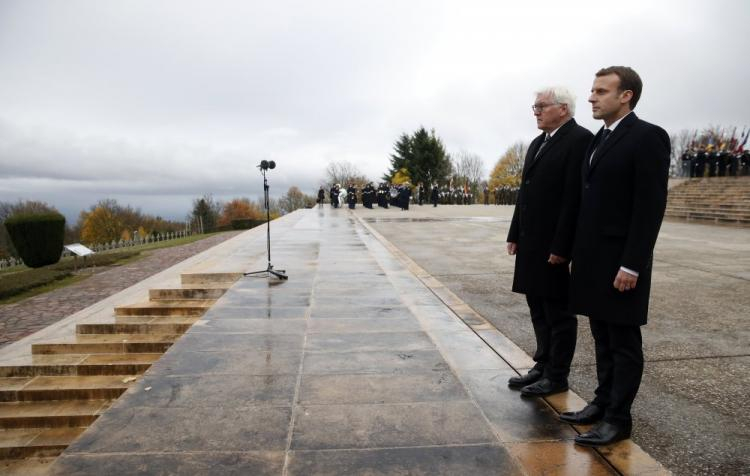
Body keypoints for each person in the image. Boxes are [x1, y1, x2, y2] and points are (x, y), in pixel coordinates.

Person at [565, 66, 670, 447]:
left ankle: (618, 418)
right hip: (593, 260)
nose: (591, 97)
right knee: (602, 337)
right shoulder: (598, 140)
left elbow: (649, 206)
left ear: (626, 95)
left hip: (621, 262)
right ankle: (601, 401)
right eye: (592, 90)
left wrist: (632, 263)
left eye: (600, 91)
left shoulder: (647, 137)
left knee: (623, 343)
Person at [506, 86, 593, 397]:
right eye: (535, 107)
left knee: (558, 313)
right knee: (537, 307)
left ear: (563, 108)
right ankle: (542, 364)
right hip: (531, 241)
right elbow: (525, 193)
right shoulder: (538, 143)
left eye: (542, 106)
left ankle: (557, 374)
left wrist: (562, 246)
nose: (537, 112)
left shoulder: (580, 139)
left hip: (553, 245)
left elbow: (574, 198)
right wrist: (514, 233)